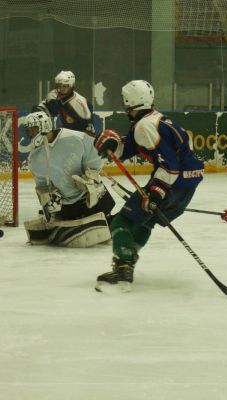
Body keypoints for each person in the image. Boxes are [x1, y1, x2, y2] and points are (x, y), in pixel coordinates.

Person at [93, 79, 205, 291]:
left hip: (171, 184)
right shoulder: (155, 120)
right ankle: (128, 261)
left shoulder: (145, 126)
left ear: (129, 101)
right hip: (186, 186)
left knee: (121, 221)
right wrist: (113, 145)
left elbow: (169, 165)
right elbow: (132, 147)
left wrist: (156, 192)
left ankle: (123, 269)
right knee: (144, 222)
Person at [22, 110, 115, 247]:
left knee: (112, 219)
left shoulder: (75, 137)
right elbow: (42, 185)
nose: (31, 134)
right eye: (29, 131)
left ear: (45, 126)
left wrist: (90, 178)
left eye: (34, 129)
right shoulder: (34, 158)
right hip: (68, 207)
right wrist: (49, 198)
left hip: (91, 197)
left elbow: (96, 158)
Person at [33, 70, 95, 136]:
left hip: (78, 138)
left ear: (71, 86)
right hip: (65, 136)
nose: (61, 89)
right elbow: (41, 110)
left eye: (65, 86)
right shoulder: (55, 95)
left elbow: (89, 133)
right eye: (59, 86)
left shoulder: (82, 104)